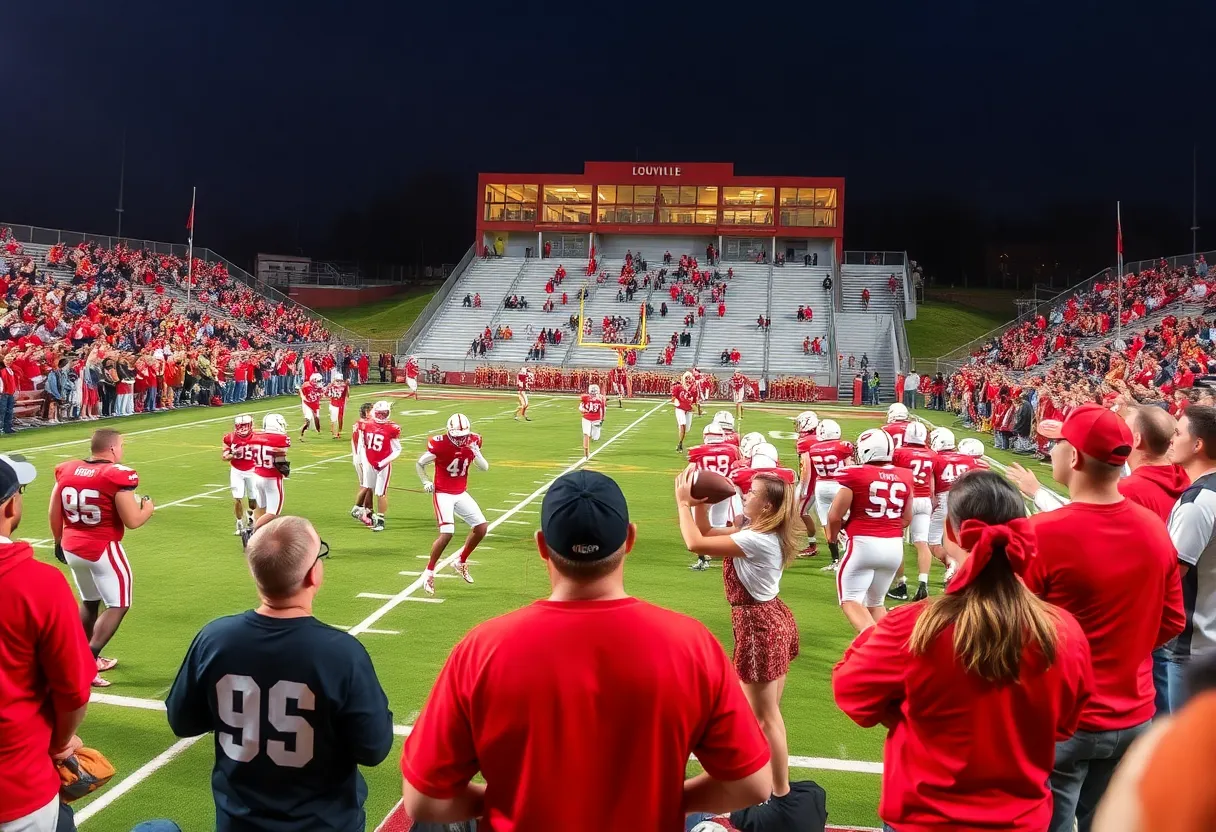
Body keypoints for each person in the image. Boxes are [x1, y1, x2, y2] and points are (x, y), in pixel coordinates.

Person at [401, 471, 771, 827]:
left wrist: (504, 799)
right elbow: (751, 784)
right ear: (629, 539)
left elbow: (424, 799)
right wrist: (671, 799)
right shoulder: (692, 644)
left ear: (542, 545)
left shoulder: (482, 649)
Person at [834, 470, 1095, 832]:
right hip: (1021, 819)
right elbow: (1065, 724)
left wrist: (912, 715)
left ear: (954, 533)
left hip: (925, 817)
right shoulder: (1065, 631)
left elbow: (853, 697)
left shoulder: (913, 626)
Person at [166, 516, 394, 831]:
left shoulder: (215, 639)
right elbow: (374, 748)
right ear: (314, 574)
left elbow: (182, 720)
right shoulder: (341, 654)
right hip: (323, 824)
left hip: (239, 822)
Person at [1022, 405, 1185, 832]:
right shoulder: (1153, 527)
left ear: (1073, 457)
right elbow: (1171, 620)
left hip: (1063, 716)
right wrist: (1122, 650)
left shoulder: (1044, 534)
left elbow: (1013, 629)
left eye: (1058, 444)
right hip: (1133, 710)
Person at [675, 463, 801, 800]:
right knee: (767, 713)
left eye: (753, 494)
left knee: (765, 718)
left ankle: (779, 793)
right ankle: (775, 786)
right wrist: (701, 503)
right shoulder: (755, 531)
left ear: (767, 506)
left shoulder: (756, 539)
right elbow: (706, 532)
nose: (745, 495)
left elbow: (694, 543)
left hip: (759, 625)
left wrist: (682, 503)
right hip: (773, 619)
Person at [0, 453, 95, 832]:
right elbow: (73, 690)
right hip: (17, 789)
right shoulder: (38, 584)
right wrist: (60, 742)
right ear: (10, 505)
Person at [51, 428, 155, 687]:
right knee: (119, 604)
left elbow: (54, 509)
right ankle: (87, 662)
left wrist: (57, 541)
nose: (122, 450)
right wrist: (148, 509)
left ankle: (80, 659)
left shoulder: (68, 469)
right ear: (112, 449)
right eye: (121, 445)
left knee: (89, 601)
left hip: (72, 544)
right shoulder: (116, 475)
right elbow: (132, 521)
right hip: (102, 548)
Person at [829, 429, 913, 632]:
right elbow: (907, 518)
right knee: (876, 603)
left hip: (863, 545)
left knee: (850, 600)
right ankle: (893, 651)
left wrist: (832, 538)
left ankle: (874, 651)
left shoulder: (855, 475)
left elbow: (834, 515)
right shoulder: (905, 475)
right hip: (893, 547)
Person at [1161, 405, 1216, 711]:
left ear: (1198, 445)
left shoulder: (1198, 501)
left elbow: (1170, 575)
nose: (1171, 439)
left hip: (1193, 646)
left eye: (1178, 433)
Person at [417, 414, 489, 595]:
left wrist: (476, 451)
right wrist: (426, 481)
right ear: (449, 432)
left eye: (463, 435)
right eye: (457, 436)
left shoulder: (473, 440)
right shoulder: (439, 443)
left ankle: (460, 561)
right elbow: (420, 463)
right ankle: (428, 572)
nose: (461, 439)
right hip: (443, 493)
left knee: (481, 527)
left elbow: (484, 467)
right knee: (447, 534)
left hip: (460, 492)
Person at [358, 401, 402, 533]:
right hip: (370, 461)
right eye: (380, 413)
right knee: (367, 487)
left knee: (380, 492)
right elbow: (363, 443)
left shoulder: (391, 428)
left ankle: (381, 520)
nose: (382, 416)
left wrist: (382, 463)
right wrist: (365, 460)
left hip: (382, 465)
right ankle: (359, 509)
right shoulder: (366, 424)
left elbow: (397, 450)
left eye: (385, 414)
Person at [222, 414, 259, 538]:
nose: (242, 428)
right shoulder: (230, 438)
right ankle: (239, 523)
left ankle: (250, 515)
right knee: (237, 498)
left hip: (252, 470)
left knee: (253, 499)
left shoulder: (258, 437)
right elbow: (224, 457)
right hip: (237, 470)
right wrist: (234, 454)